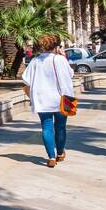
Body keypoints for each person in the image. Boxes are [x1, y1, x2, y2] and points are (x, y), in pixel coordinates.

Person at [21, 33, 76, 168]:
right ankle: (61, 153)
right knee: (61, 127)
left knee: (46, 127)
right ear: (55, 46)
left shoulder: (35, 61)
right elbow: (70, 74)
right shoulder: (60, 59)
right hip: (62, 99)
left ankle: (51, 157)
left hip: (42, 99)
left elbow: (25, 79)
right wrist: (63, 56)